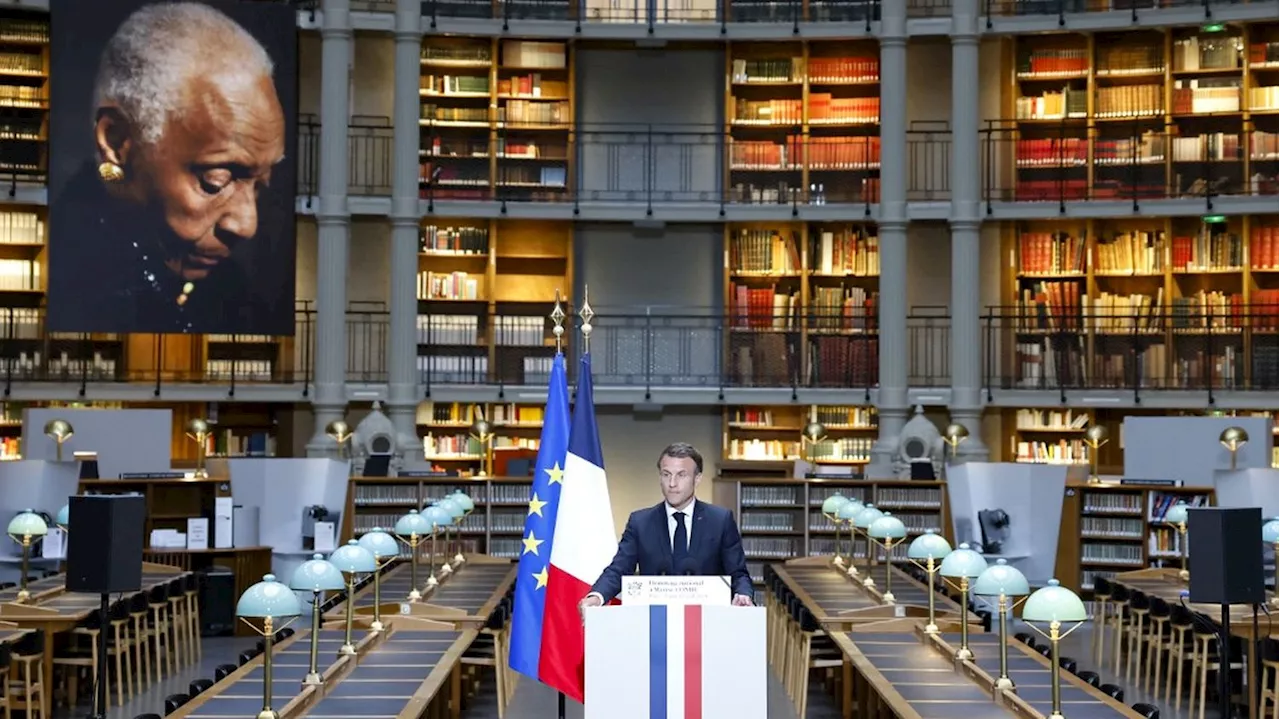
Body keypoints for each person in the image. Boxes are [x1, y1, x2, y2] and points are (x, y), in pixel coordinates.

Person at [47, 2, 287, 335]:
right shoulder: (62, 284)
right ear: (116, 142)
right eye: (214, 180)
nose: (247, 225)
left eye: (260, 184)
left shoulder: (232, 294)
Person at [579, 442, 755, 613]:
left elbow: (738, 574)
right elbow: (619, 568)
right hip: (655, 626)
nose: (672, 483)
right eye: (666, 474)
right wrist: (597, 596)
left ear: (697, 478)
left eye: (681, 475)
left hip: (706, 625)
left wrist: (743, 595)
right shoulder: (640, 522)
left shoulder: (720, 520)